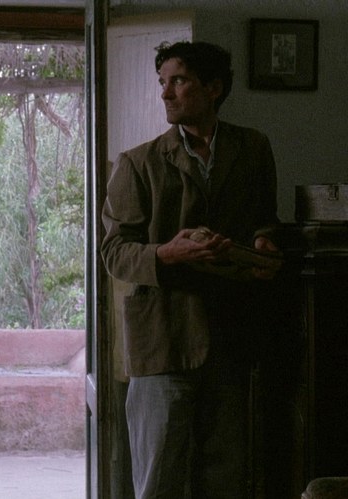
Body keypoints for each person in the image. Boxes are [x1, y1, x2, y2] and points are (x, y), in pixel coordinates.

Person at [100, 40, 282, 499]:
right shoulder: (138, 163)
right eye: (163, 82)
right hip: (164, 341)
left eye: (178, 81)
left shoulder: (253, 148)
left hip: (232, 339)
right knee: (158, 481)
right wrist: (167, 254)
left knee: (224, 480)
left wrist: (263, 245)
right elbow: (115, 252)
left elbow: (265, 220)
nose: (165, 93)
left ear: (213, 87)